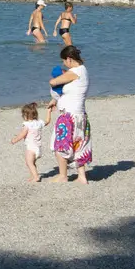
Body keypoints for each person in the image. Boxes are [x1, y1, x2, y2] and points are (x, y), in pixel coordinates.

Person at [47, 45, 92, 184]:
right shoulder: (83, 70)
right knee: (79, 144)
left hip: (69, 116)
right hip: (79, 114)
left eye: (64, 61)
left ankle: (63, 175)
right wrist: (55, 99)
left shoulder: (75, 72)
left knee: (59, 144)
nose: (64, 64)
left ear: (69, 59)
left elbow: (53, 81)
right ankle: (81, 177)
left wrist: (59, 76)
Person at [9, 102, 45, 183]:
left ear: (25, 115)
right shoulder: (39, 123)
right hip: (38, 148)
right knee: (32, 163)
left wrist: (14, 140)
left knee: (29, 163)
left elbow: (22, 135)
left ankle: (36, 177)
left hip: (31, 148)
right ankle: (33, 175)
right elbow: (47, 121)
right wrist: (49, 112)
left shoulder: (27, 125)